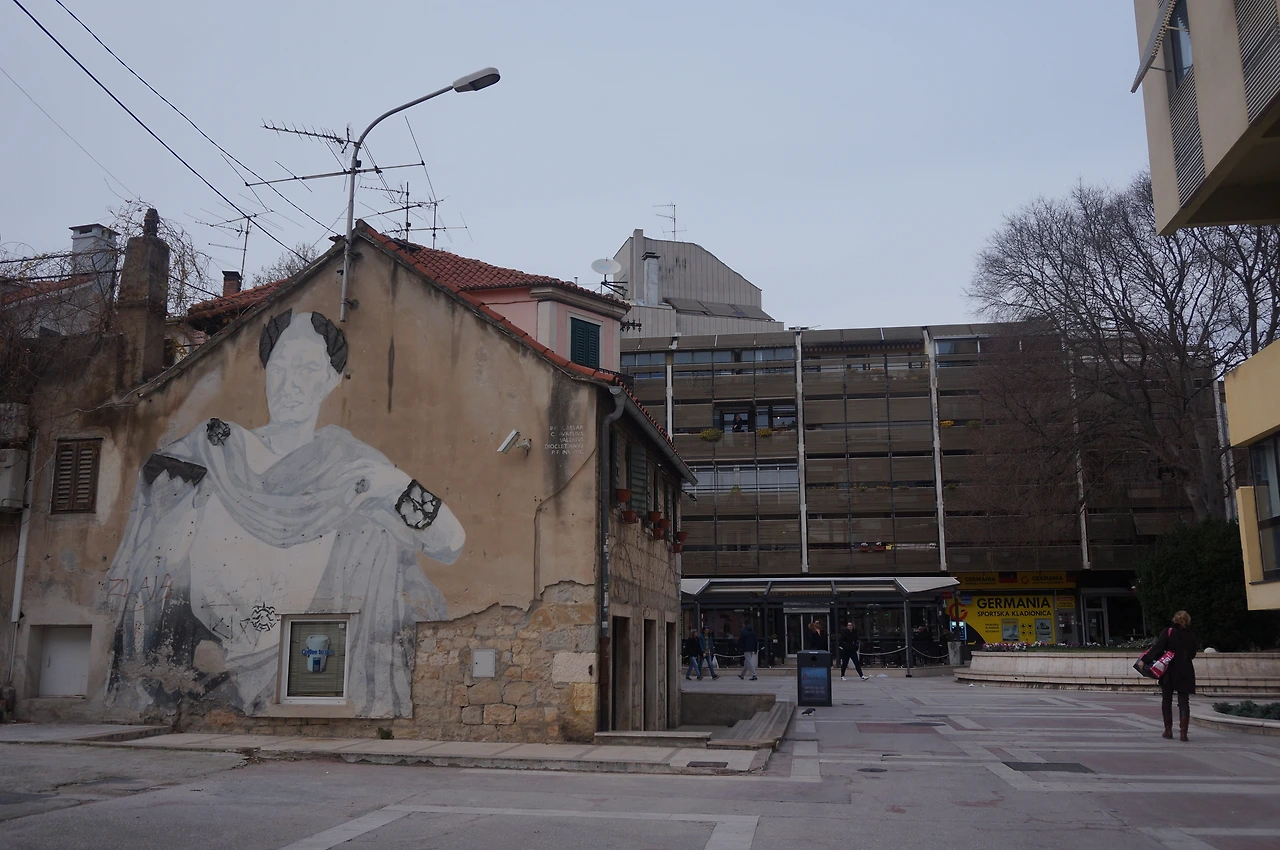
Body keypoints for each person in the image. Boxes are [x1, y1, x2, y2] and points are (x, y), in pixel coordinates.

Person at [105, 310, 465, 718]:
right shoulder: (218, 450)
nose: (289, 384)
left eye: (307, 369)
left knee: (374, 535)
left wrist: (395, 485)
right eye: (279, 368)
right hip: (209, 660)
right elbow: (157, 543)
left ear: (332, 379)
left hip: (307, 659)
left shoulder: (349, 464)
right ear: (265, 372)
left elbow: (450, 543)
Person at [1141, 610, 1198, 741]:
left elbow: (1158, 648)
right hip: (1186, 670)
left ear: (1174, 619)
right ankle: (1183, 733)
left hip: (1169, 670)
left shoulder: (1168, 632)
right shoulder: (1191, 635)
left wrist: (1144, 660)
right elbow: (1193, 654)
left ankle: (1168, 730)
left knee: (1167, 700)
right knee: (1184, 702)